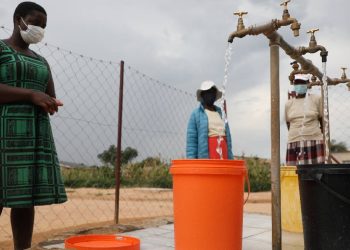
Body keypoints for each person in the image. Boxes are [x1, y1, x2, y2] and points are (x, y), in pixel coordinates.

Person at [0, 2, 67, 249]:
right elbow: (33, 94)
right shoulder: (0, 48)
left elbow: (48, 95)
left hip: (32, 135)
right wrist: (30, 95)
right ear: (19, 20)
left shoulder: (41, 61)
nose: (39, 28)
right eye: (35, 22)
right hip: (3, 133)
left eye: (44, 25)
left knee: (24, 200)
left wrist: (50, 102)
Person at [186, 80, 234, 159]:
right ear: (202, 95)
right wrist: (192, 162)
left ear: (215, 95)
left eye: (212, 92)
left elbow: (228, 139)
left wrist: (230, 157)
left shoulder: (221, 113)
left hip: (224, 155)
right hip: (208, 157)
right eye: (207, 92)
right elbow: (191, 143)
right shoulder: (196, 114)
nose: (210, 94)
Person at [285, 74, 325, 165]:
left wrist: (319, 133)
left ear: (308, 84)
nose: (299, 86)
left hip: (314, 140)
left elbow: (322, 120)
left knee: (317, 173)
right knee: (295, 173)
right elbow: (288, 123)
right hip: (294, 141)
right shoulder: (289, 104)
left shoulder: (316, 99)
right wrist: (297, 133)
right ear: (294, 85)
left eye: (302, 83)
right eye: (297, 83)